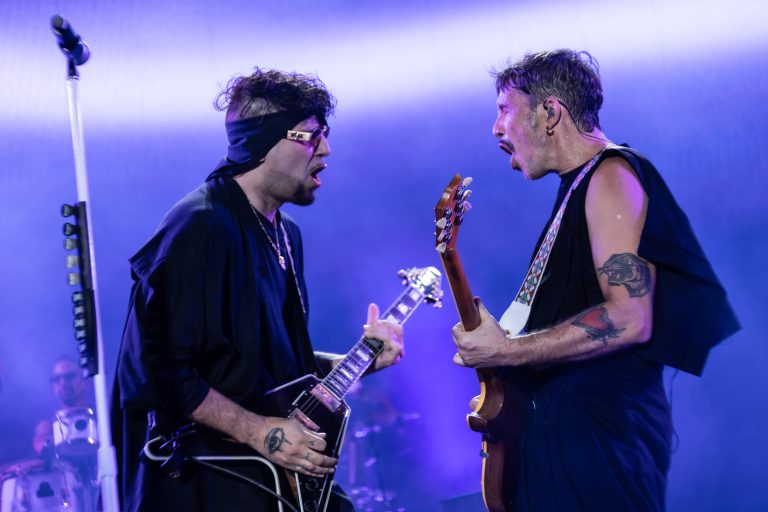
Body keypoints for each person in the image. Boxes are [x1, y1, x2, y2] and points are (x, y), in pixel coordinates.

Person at [451, 49, 739, 511]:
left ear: (550, 113)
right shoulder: (580, 186)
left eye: (505, 110)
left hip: (597, 446)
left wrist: (509, 351)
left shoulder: (611, 175)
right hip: (567, 439)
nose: (496, 128)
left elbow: (629, 317)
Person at [111, 68, 404, 511]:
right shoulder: (199, 228)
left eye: (325, 135)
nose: (325, 149)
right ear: (262, 141)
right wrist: (259, 432)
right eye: (310, 135)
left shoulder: (286, 234)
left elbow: (268, 369)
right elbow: (159, 373)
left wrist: (358, 361)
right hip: (207, 474)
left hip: (265, 470)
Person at [33, 356, 92, 455]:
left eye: (69, 376)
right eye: (56, 379)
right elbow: (41, 453)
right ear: (53, 387)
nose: (63, 382)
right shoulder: (47, 428)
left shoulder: (104, 417)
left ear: (85, 381)